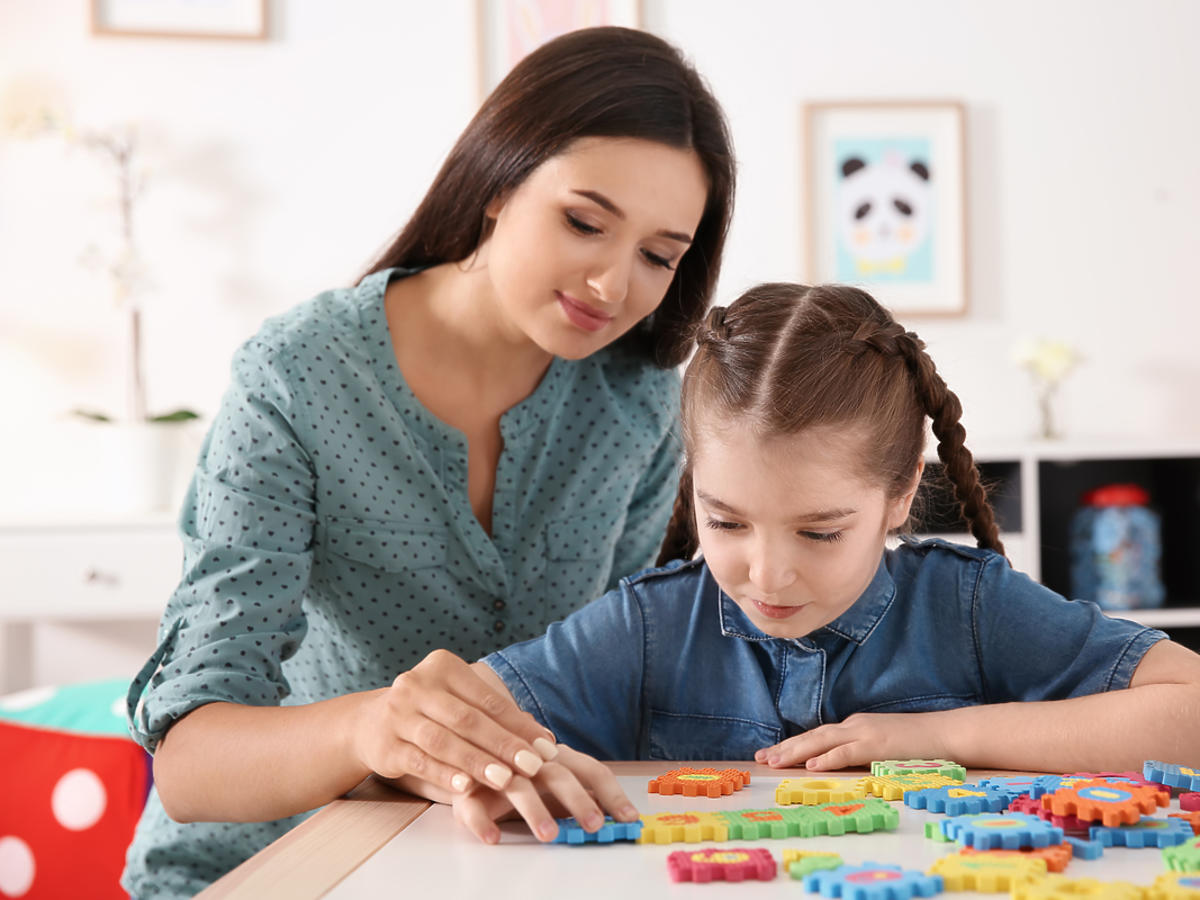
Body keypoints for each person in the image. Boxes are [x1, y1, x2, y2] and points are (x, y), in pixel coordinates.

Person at [121, 26, 735, 898]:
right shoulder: (299, 375)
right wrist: (373, 729)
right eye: (584, 222)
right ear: (497, 184)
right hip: (266, 866)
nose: (611, 285)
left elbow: (609, 679)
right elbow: (190, 763)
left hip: (494, 864)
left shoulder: (637, 407)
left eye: (658, 256)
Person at [400, 281, 1200, 845]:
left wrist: (934, 736)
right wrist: (480, 765)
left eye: (819, 533)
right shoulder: (649, 626)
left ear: (899, 494)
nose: (767, 574)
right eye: (727, 521)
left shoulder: (968, 608)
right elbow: (432, 737)